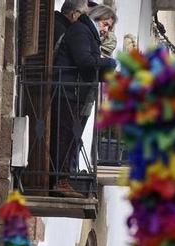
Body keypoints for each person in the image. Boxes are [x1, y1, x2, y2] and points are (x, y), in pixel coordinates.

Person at [51, 4, 117, 197]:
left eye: (109, 28)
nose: (106, 30)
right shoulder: (81, 31)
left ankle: (62, 180)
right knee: (64, 137)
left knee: (70, 137)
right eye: (105, 24)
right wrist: (110, 63)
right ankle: (59, 181)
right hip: (67, 91)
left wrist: (105, 70)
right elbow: (85, 62)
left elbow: (90, 67)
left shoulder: (89, 34)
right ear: (96, 18)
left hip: (74, 93)